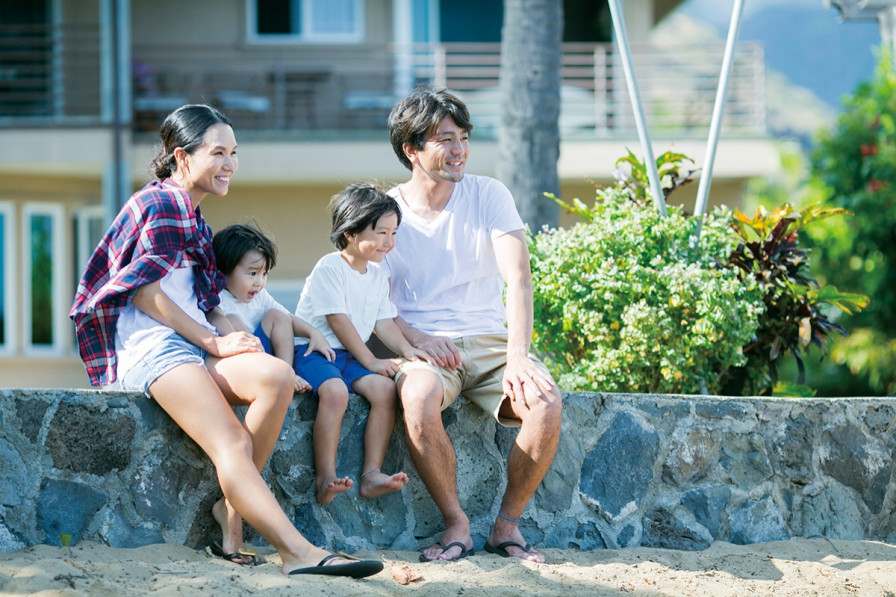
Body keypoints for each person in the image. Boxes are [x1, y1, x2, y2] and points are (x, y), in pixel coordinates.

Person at [70, 104, 382, 579]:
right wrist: (213, 343)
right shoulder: (157, 204)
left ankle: (230, 510)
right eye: (218, 152)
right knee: (233, 440)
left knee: (277, 375)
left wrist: (230, 334)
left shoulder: (194, 220)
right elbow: (147, 294)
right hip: (156, 349)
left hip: (194, 342)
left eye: (234, 152)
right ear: (182, 156)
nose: (230, 163)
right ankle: (296, 551)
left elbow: (202, 299)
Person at [380, 87, 563, 563]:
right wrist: (418, 340)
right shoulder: (383, 212)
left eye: (463, 137)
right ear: (411, 149)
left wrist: (519, 358)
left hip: (489, 341)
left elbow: (518, 278)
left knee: (544, 401)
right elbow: (371, 299)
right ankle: (456, 524)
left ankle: (507, 526)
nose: (459, 148)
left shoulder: (488, 193)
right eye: (444, 138)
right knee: (417, 400)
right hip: (421, 346)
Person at [293, 182, 431, 505]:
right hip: (315, 351)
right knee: (336, 392)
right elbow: (337, 321)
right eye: (381, 232)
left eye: (394, 233)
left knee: (384, 391)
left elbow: (384, 322)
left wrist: (408, 350)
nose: (389, 241)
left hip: (349, 356)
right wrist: (370, 361)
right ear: (350, 232)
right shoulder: (330, 268)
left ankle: (371, 475)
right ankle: (326, 476)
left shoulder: (377, 275)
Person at [212, 223, 334, 393]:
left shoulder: (259, 295)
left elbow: (287, 317)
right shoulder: (217, 300)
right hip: (244, 363)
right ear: (224, 270)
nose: (259, 282)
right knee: (232, 321)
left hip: (266, 354)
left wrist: (313, 332)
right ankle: (276, 374)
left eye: (264, 274)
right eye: (252, 273)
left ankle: (286, 372)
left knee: (278, 316)